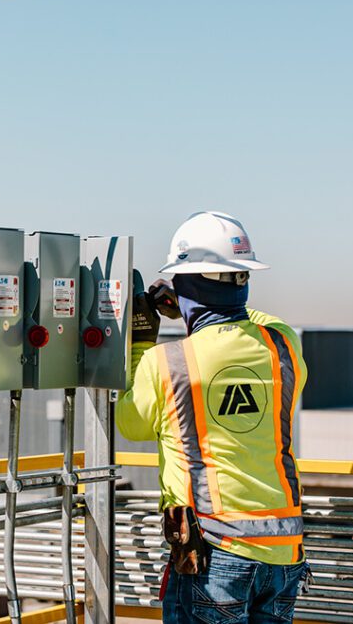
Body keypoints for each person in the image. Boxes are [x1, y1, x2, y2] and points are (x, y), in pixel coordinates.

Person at [117, 211, 309, 624]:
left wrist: (140, 341)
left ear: (184, 284)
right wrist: (200, 302)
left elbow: (130, 424)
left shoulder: (166, 363)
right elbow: (251, 319)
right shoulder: (283, 346)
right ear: (244, 278)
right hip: (284, 554)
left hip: (214, 555)